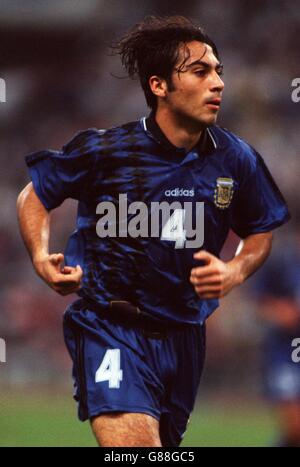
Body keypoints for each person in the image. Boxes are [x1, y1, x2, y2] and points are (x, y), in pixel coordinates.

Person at [17, 16, 290, 447]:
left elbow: (260, 231)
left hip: (184, 338)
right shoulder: (107, 149)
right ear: (159, 86)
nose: (218, 83)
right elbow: (34, 195)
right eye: (201, 72)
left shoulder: (236, 159)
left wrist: (235, 271)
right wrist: (39, 256)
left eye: (219, 71)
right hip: (110, 326)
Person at [251, 230, 300, 447]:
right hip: (286, 351)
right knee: (295, 428)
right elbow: (259, 301)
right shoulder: (282, 261)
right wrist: (281, 312)